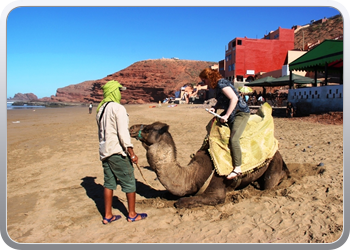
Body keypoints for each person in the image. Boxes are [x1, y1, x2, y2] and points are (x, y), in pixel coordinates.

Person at [96, 80, 147, 224]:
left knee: (109, 183)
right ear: (113, 92)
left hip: (105, 151)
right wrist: (131, 152)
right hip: (117, 152)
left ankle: (108, 215)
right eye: (119, 90)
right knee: (130, 182)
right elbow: (123, 133)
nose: (121, 93)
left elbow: (101, 133)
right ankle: (132, 214)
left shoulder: (100, 109)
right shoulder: (118, 108)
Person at [199, 68, 250, 180]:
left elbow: (234, 98)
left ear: (209, 78)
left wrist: (226, 115)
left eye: (204, 80)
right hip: (231, 113)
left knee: (234, 139)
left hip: (239, 113)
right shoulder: (218, 86)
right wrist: (214, 108)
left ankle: (237, 169)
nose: (204, 83)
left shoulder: (222, 83)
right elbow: (223, 100)